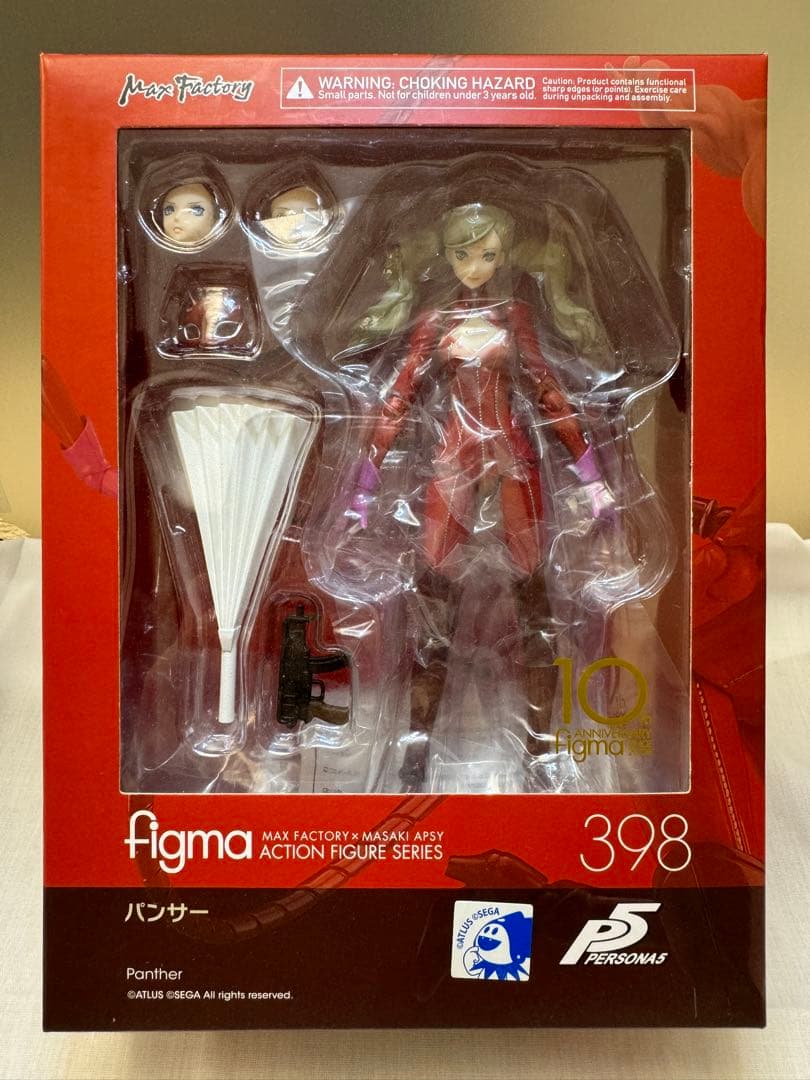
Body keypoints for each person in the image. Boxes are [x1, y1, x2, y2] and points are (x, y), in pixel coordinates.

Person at [346, 203, 614, 791]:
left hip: (511, 458)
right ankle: (415, 757)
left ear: (504, 256)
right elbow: (398, 397)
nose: (474, 265)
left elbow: (548, 393)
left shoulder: (515, 316)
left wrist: (592, 475)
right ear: (445, 256)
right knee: (433, 602)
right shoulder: (434, 320)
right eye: (462, 253)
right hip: (453, 458)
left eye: (487, 254)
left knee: (534, 602)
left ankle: (540, 754)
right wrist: (364, 483)